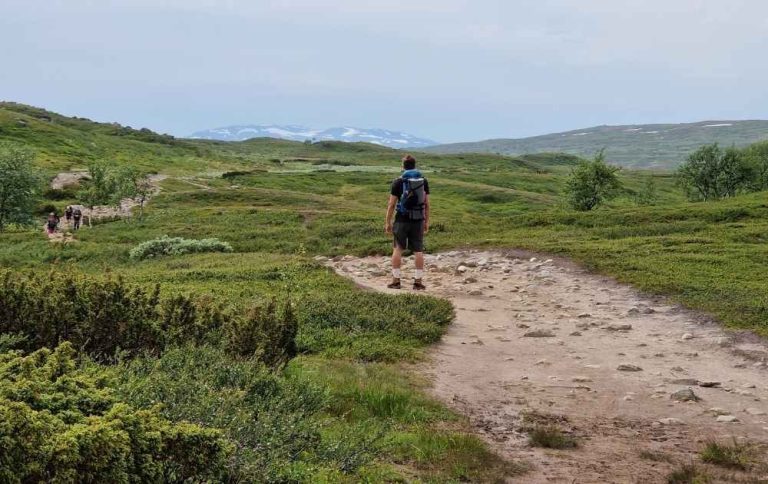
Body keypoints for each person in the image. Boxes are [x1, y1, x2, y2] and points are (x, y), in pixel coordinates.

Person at [385, 154, 430, 290]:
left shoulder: (398, 182)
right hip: (418, 220)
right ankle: (418, 282)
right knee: (418, 251)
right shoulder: (423, 181)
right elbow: (427, 204)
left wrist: (387, 222)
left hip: (401, 220)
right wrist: (426, 221)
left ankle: (396, 281)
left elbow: (391, 205)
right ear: (414, 165)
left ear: (403, 166)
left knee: (398, 248)